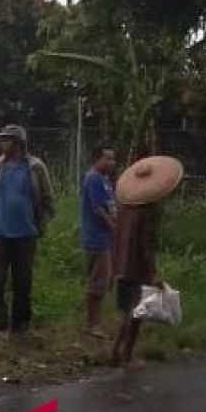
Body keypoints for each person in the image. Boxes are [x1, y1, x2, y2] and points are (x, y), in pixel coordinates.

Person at [0, 124, 56, 336]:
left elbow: (48, 199)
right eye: (1, 139)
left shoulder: (35, 167)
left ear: (19, 143)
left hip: (26, 234)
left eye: (6, 139)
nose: (2, 143)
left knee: (23, 281)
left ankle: (20, 325)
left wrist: (42, 223)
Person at [110, 155, 184, 368]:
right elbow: (146, 245)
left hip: (121, 264)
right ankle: (126, 356)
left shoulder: (125, 207)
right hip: (137, 267)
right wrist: (153, 272)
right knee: (136, 312)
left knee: (126, 310)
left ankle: (116, 351)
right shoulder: (149, 211)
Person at [81, 144, 119, 338]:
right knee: (97, 281)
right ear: (97, 159)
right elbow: (97, 209)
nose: (112, 162)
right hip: (97, 238)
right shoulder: (93, 178)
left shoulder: (105, 179)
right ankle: (92, 324)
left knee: (105, 280)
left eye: (113, 158)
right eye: (108, 158)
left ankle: (97, 322)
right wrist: (112, 226)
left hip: (107, 238)